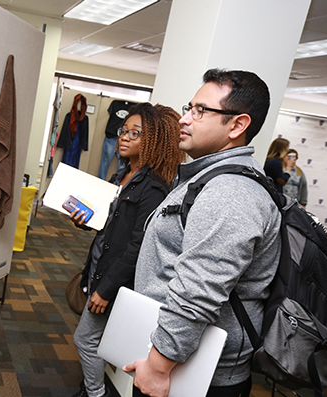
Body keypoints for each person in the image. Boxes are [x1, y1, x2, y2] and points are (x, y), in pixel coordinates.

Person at [122, 69, 281, 397]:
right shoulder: (209, 179)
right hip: (179, 359)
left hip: (197, 375)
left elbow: (199, 290)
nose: (184, 119)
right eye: (188, 108)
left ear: (237, 125)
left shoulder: (231, 192)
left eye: (200, 111)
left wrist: (159, 364)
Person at [69, 103, 185, 397]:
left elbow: (138, 247)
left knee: (84, 339)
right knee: (98, 340)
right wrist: (86, 221)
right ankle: (94, 387)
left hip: (116, 280)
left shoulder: (154, 188)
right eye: (124, 131)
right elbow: (110, 227)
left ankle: (96, 394)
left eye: (136, 133)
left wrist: (106, 289)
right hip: (98, 266)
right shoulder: (120, 176)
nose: (124, 137)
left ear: (154, 140)